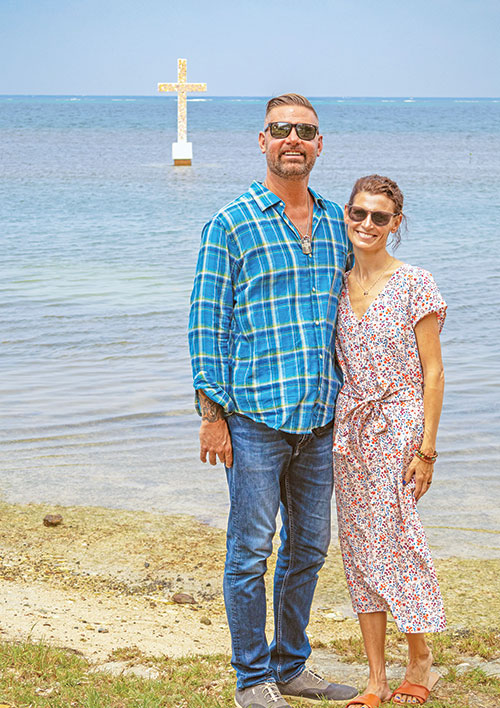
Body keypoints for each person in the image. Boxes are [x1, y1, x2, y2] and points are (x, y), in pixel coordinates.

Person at [188, 94, 358, 708]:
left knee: (310, 549)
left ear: (320, 144)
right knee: (250, 551)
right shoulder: (230, 223)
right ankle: (252, 678)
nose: (294, 140)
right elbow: (206, 322)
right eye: (281, 130)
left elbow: (362, 303)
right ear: (262, 141)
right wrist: (212, 415)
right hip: (254, 419)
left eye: (305, 131)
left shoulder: (340, 221)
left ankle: (291, 666)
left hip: (320, 418)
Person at [333, 175, 447, 708]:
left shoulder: (415, 284)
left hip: (399, 427)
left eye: (380, 217)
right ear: (348, 215)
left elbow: (434, 373)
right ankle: (376, 679)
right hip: (350, 431)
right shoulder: (335, 284)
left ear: (395, 224)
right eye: (359, 213)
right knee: (359, 551)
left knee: (396, 545)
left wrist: (426, 451)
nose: (368, 225)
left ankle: (419, 656)